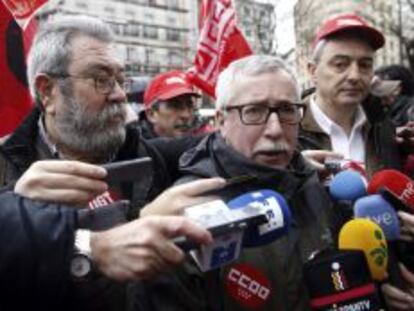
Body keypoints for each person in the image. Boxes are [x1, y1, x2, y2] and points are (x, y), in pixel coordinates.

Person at [0, 15, 223, 311]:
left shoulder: (147, 156)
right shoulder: (8, 170)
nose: (120, 95)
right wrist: (19, 208)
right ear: (47, 91)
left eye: (120, 80)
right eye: (101, 80)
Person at [134, 55, 342, 310]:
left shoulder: (317, 184)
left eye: (287, 109)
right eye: (254, 111)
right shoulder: (185, 212)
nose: (275, 129)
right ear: (221, 121)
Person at [0, 189, 213, 310]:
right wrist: (92, 247)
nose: (118, 106)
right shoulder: (17, 170)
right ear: (49, 106)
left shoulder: (144, 152)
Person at [300, 13, 404, 176]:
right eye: (340, 64)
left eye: (364, 65)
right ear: (312, 71)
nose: (355, 76)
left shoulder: (384, 130)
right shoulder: (287, 132)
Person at [138, 70, 200, 139]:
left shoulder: (202, 145)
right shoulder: (133, 147)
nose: (186, 115)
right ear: (151, 114)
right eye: (175, 106)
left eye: (189, 105)